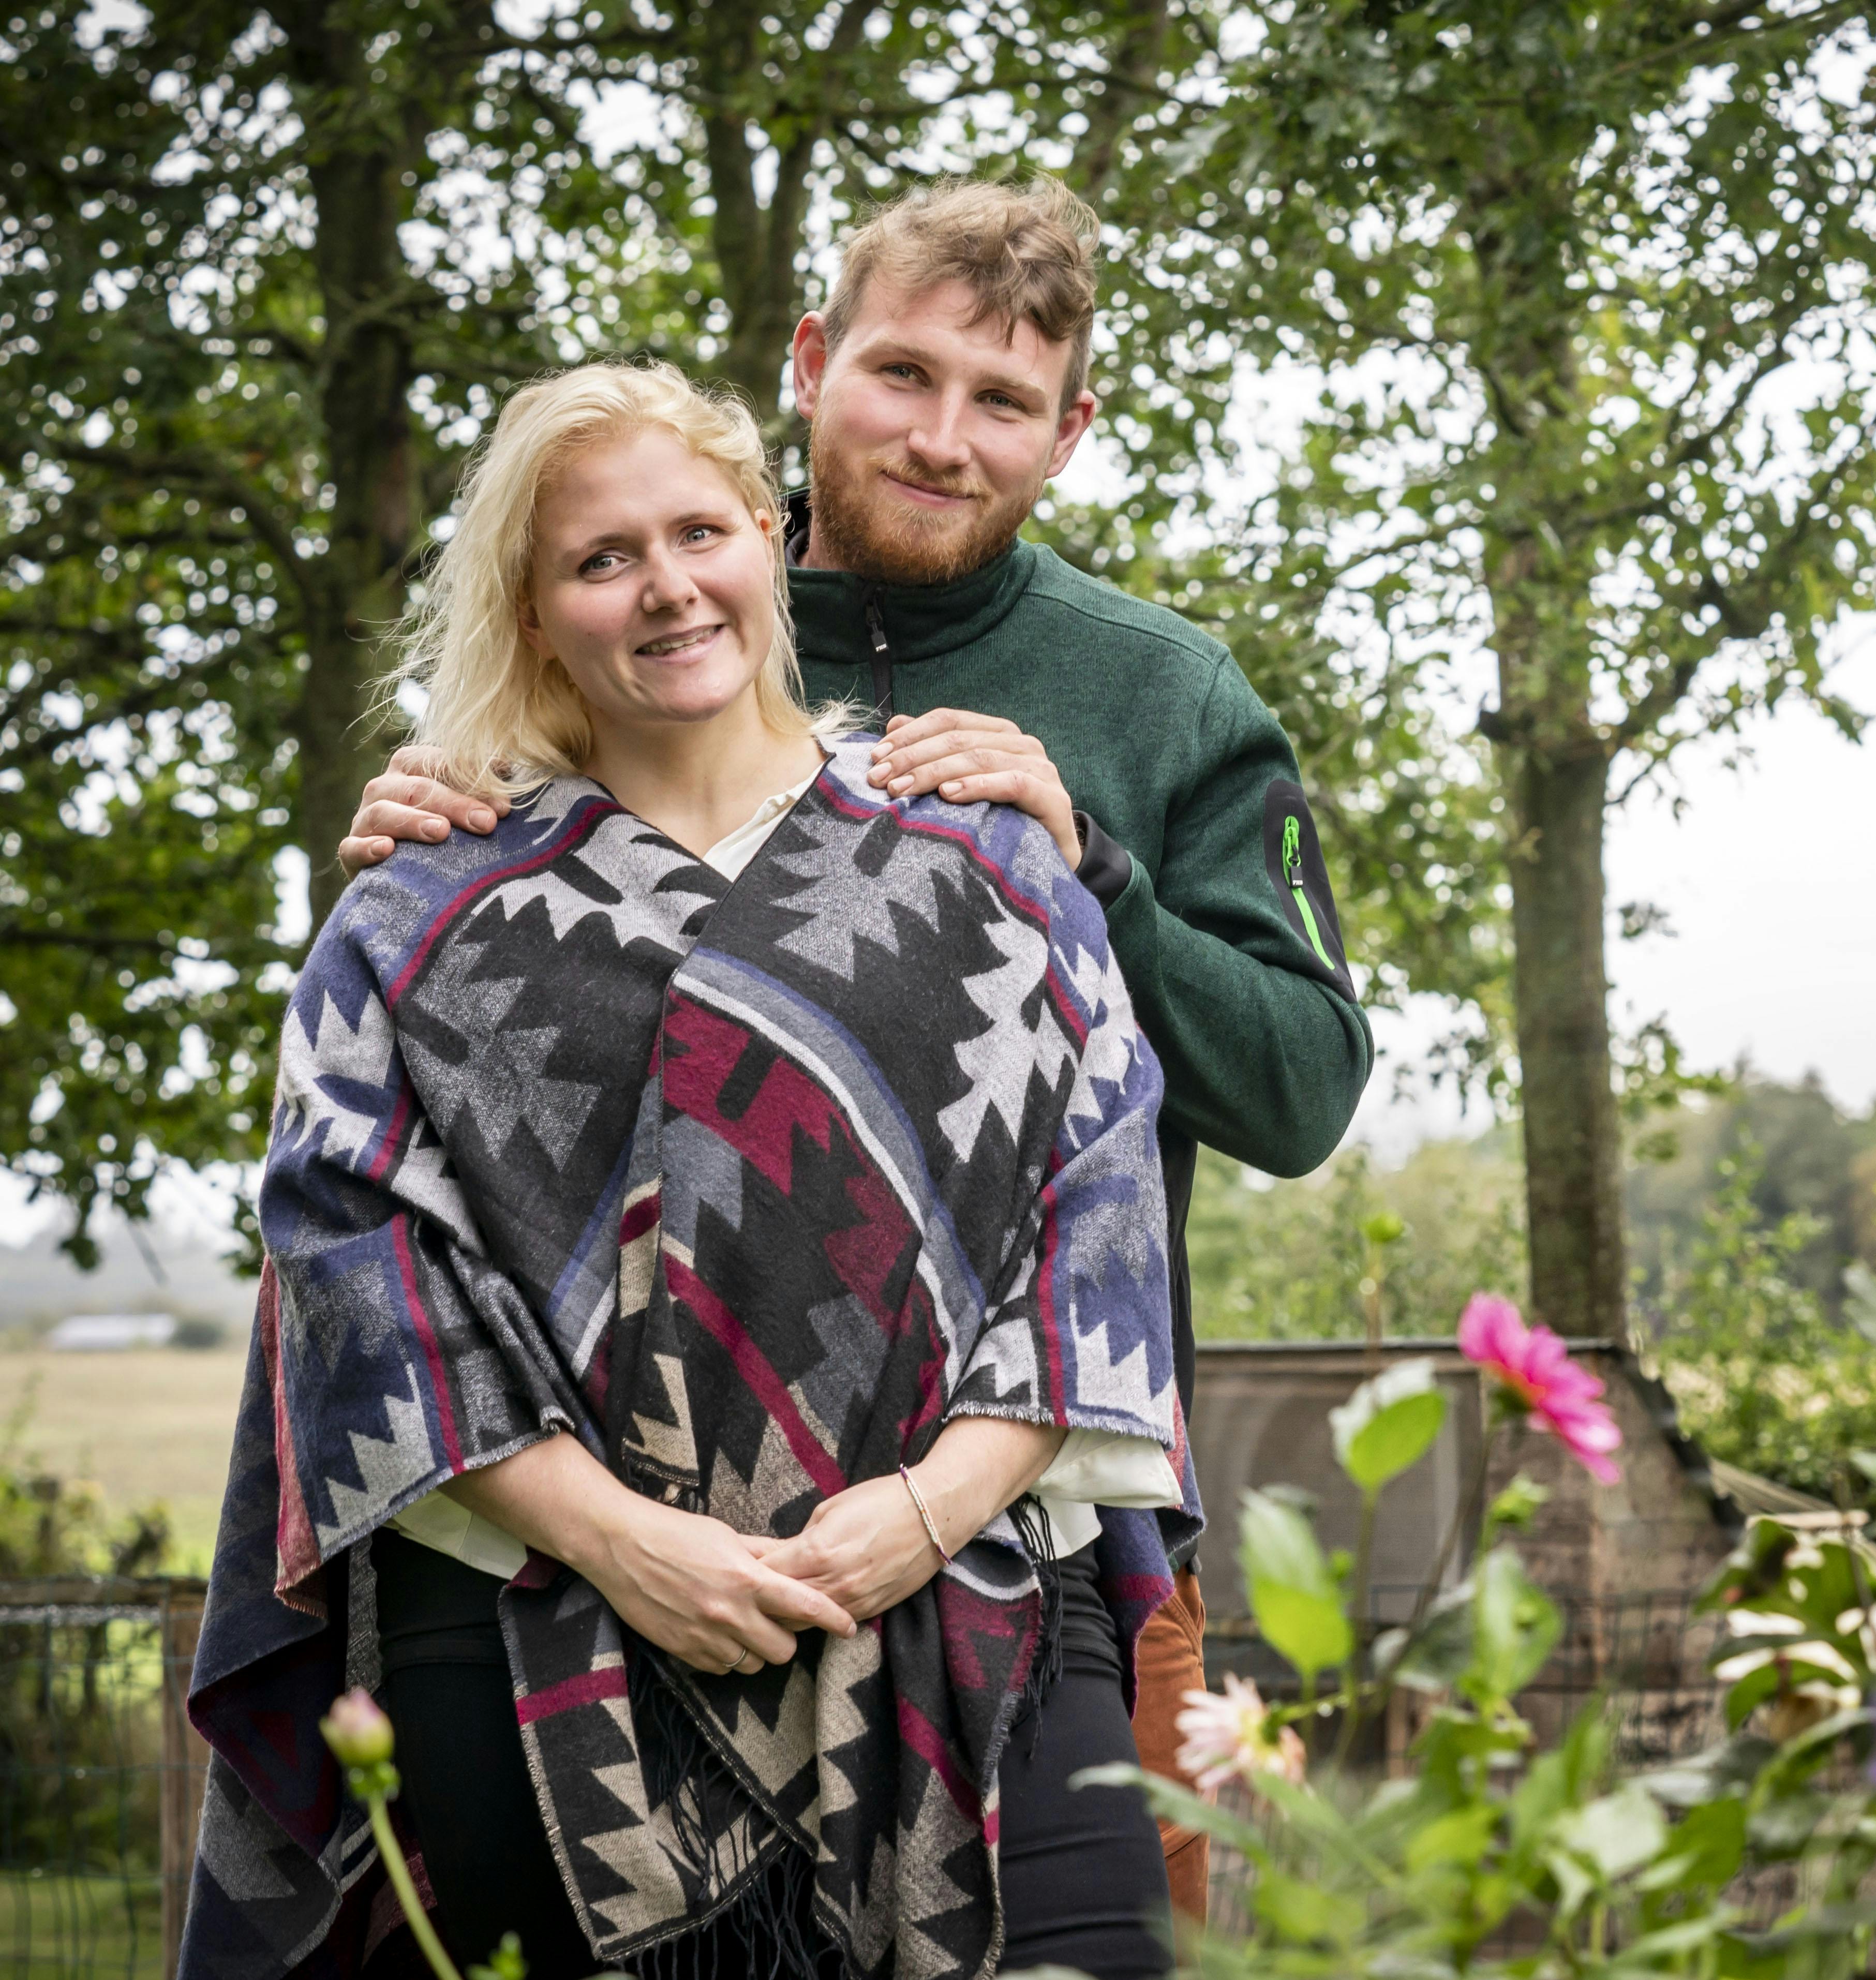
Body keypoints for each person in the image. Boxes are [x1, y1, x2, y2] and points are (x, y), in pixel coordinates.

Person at [339, 177, 1376, 1920]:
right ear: (810, 362)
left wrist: (1094, 868)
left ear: (1070, 433)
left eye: (1004, 402)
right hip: (601, 1546)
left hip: (1038, 1507)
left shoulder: (1164, 690)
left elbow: (1301, 1087)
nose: (941, 438)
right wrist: (422, 818)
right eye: (903, 373)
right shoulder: (652, 615)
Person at [183, 361, 1196, 1980]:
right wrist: (623, 1539)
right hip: (540, 1644)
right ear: (532, 611)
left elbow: (1103, 1220)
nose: (666, 586)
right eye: (601, 558)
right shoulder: (418, 914)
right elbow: (357, 1282)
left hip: (976, 1608)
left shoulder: (986, 859)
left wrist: (926, 1512)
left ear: (767, 545)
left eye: (700, 531)